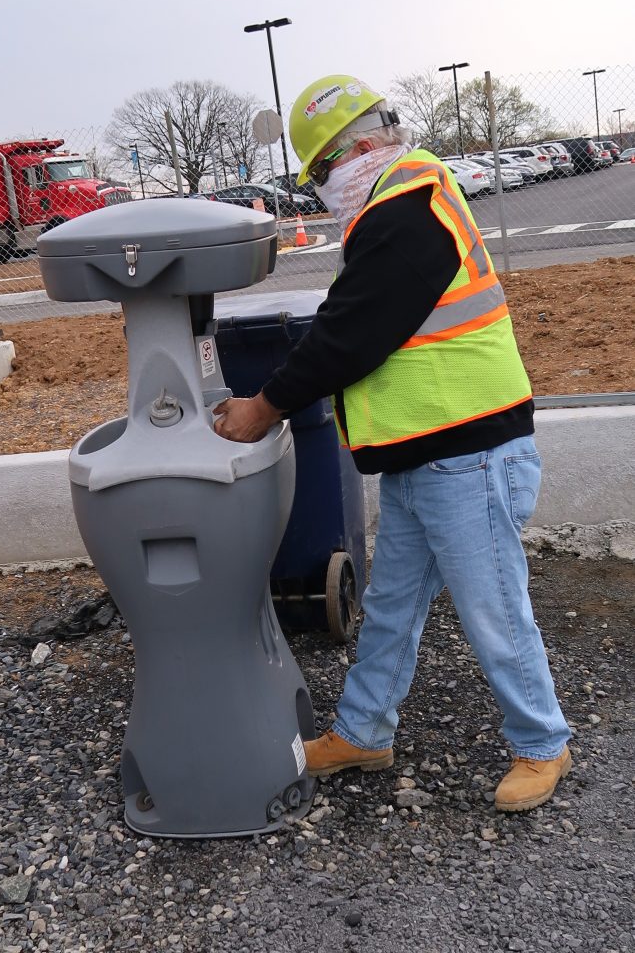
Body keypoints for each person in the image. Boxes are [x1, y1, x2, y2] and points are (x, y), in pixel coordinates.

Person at [213, 75, 571, 812]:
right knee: (393, 607)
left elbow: (350, 334)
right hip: (422, 455)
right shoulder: (397, 203)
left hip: (467, 453)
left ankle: (542, 744)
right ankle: (363, 731)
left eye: (320, 170)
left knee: (494, 608)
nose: (318, 188)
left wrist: (264, 406)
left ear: (364, 147)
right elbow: (359, 325)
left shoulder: (408, 207)